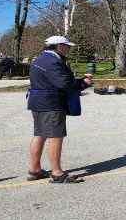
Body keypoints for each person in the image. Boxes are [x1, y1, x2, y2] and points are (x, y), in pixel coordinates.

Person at [26, 36, 92, 183]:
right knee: (56, 136)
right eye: (67, 46)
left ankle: (34, 169)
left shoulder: (40, 58)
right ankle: (57, 173)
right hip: (51, 103)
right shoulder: (53, 61)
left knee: (40, 134)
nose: (68, 48)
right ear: (59, 46)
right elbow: (64, 83)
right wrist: (83, 83)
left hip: (38, 101)